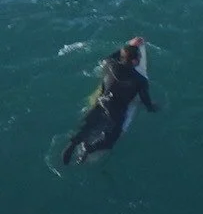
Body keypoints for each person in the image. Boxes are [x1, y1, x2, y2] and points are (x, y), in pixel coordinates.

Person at [61, 37, 156, 165]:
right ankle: (89, 148)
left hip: (101, 103)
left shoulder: (110, 64)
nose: (140, 58)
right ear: (134, 61)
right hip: (116, 111)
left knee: (86, 126)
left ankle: (72, 144)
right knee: (110, 139)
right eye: (138, 57)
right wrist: (152, 108)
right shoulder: (140, 80)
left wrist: (128, 45)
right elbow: (145, 101)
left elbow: (110, 57)